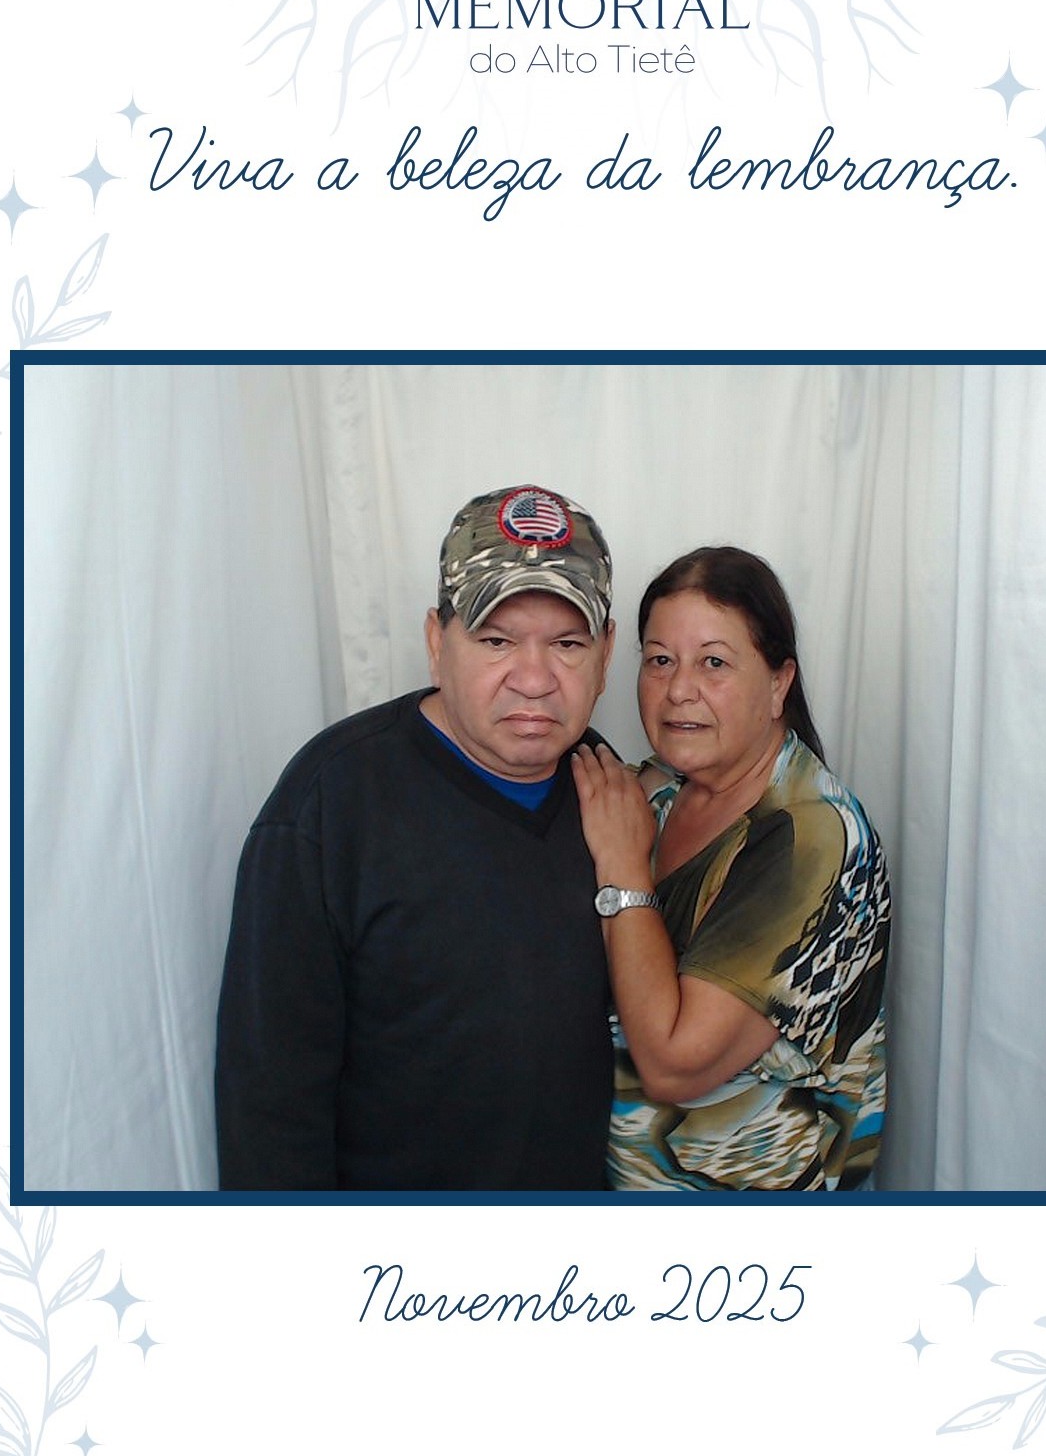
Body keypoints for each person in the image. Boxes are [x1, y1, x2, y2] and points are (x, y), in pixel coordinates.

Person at [215, 484, 617, 1191]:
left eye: (567, 644)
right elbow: (269, 1108)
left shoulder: (613, 792)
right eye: (495, 640)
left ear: (606, 654)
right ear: (437, 642)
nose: (534, 679)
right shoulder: (330, 807)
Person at [572, 547, 889, 1191]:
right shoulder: (658, 792)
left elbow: (675, 1065)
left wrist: (624, 870)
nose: (678, 689)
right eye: (660, 660)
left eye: (713, 662)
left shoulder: (811, 836)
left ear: (778, 683)